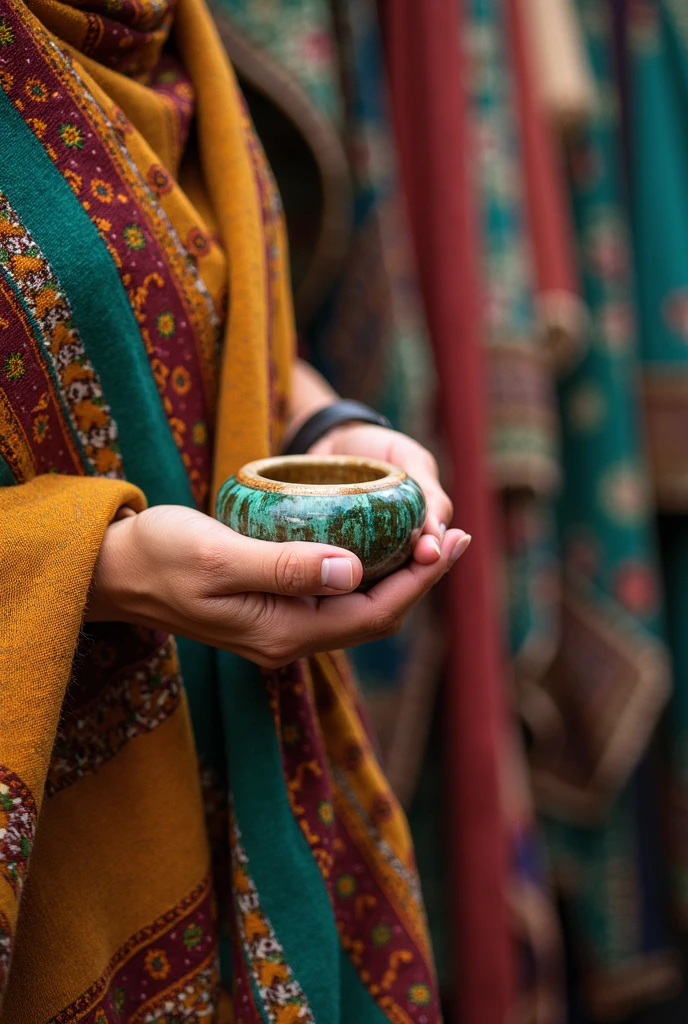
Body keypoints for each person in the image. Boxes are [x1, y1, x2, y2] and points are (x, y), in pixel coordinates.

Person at [0, 0, 470, 1019]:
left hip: (244, 771)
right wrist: (101, 566)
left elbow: (184, 297)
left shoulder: (174, 29)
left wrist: (327, 425)